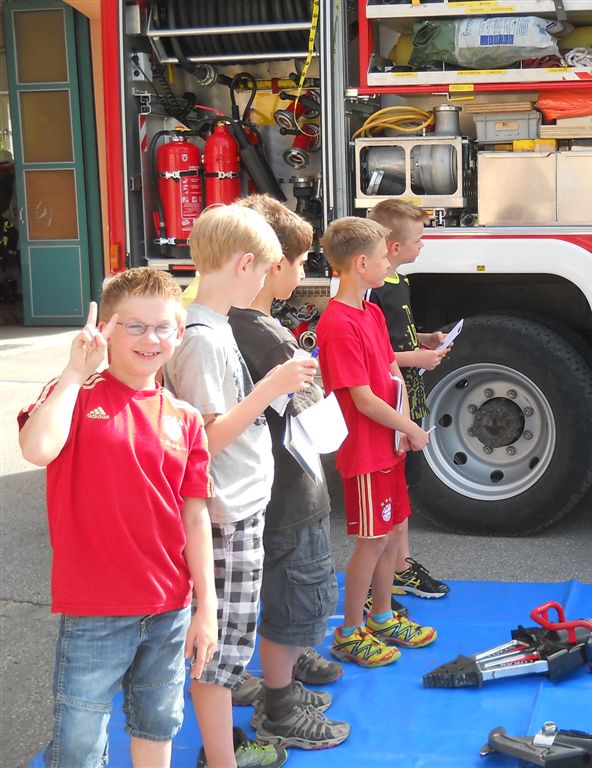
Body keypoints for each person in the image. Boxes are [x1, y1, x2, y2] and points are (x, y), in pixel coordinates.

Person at [17, 269, 217, 768]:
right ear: (104, 329)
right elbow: (38, 448)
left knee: (158, 724)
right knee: (80, 747)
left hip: (169, 610)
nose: (150, 338)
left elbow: (195, 520)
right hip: (94, 614)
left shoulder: (185, 418)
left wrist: (207, 608)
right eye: (133, 326)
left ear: (179, 333)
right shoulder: (77, 396)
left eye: (162, 327)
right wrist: (71, 372)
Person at [162, 204, 318, 768]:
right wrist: (270, 387)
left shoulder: (214, 325)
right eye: (267, 268)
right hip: (227, 514)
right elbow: (205, 437)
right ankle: (221, 757)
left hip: (237, 507)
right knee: (220, 651)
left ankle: (222, 747)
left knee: (229, 645)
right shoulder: (203, 337)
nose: (267, 282)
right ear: (247, 264)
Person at [226, 194, 349, 750]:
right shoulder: (264, 335)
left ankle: (279, 691)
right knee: (293, 604)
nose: (302, 273)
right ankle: (279, 708)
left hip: (258, 491)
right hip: (289, 493)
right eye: (299, 263)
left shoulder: (219, 323)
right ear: (271, 263)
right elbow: (324, 430)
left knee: (278, 597)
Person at [317, 216, 437, 668]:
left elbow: (389, 373)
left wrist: (403, 426)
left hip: (387, 446)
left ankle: (382, 616)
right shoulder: (338, 323)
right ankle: (349, 631)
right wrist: (407, 428)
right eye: (385, 256)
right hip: (366, 452)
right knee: (371, 540)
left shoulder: (369, 312)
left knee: (388, 536)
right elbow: (362, 399)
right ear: (362, 263)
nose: (391, 261)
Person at [366, 199, 451, 601]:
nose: (424, 245)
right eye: (418, 239)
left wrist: (427, 338)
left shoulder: (401, 284)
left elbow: (401, 334)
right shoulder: (374, 294)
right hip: (391, 399)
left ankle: (400, 566)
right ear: (394, 248)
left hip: (410, 396)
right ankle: (386, 573)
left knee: (406, 485)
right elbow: (375, 352)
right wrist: (417, 358)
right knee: (394, 489)